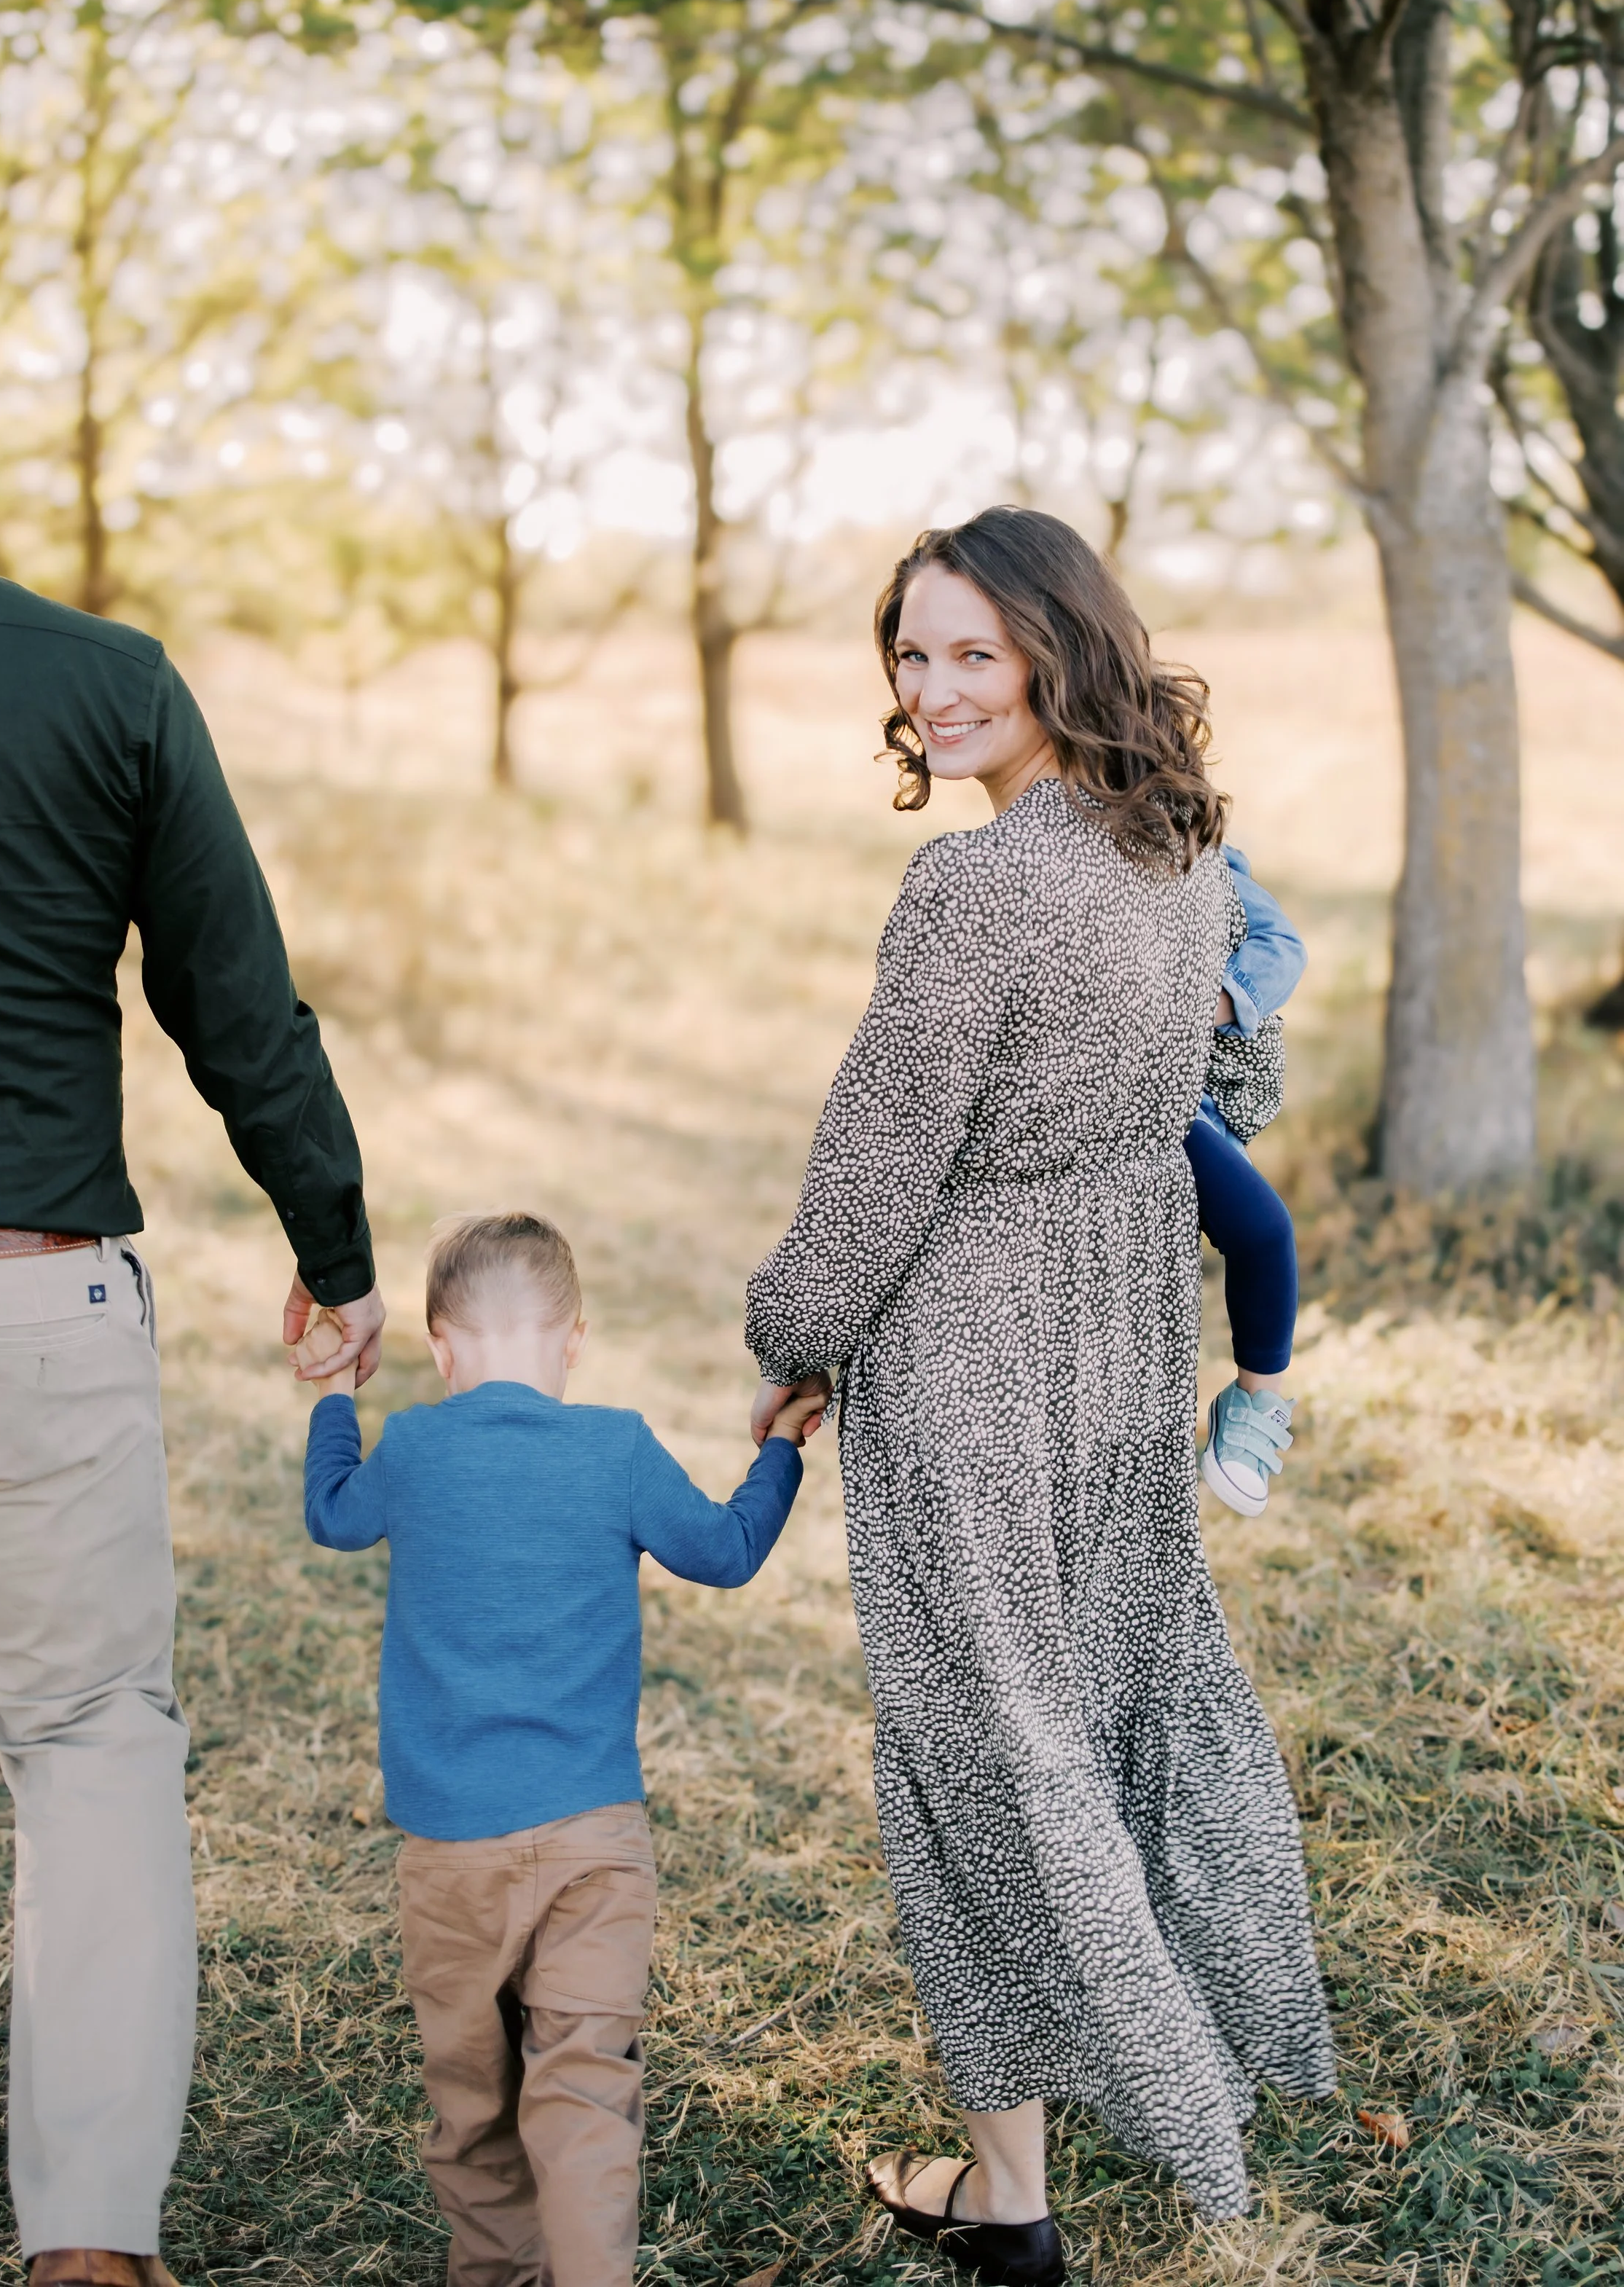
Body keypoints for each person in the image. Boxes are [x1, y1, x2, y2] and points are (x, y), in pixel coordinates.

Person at [0, 309, 385, 2287]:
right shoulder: (106, 680)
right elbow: (239, 1004)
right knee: (89, 1740)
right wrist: (335, 1250)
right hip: (27, 1296)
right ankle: (85, 2239)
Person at [745, 508, 1335, 2281]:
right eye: (909, 658)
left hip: (973, 1342)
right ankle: (1100, 2120)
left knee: (980, 1739)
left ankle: (1073, 2152)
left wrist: (794, 1329)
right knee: (1100, 1695)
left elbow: (878, 1164)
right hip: (1124, 1328)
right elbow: (1243, 1079)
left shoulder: (974, 886)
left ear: (1059, 653)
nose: (931, 692)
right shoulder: (1184, 860)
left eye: (970, 655)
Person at [300, 1211, 826, 2287]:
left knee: (474, 2103)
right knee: (584, 2093)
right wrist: (779, 1451)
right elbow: (726, 1550)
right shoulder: (617, 1445)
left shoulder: (414, 1445)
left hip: (449, 1852)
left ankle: (493, 2271)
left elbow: (333, 1515)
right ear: (573, 1339)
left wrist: (334, 1400)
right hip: (595, 1848)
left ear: (442, 1345)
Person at [1196, 850, 1307, 1516]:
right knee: (1264, 1230)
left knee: (1266, 1230)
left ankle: (1253, 1401)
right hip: (1121, 1086)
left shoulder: (1208, 860)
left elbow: (1282, 945)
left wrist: (1216, 1000)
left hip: (1193, 1093)